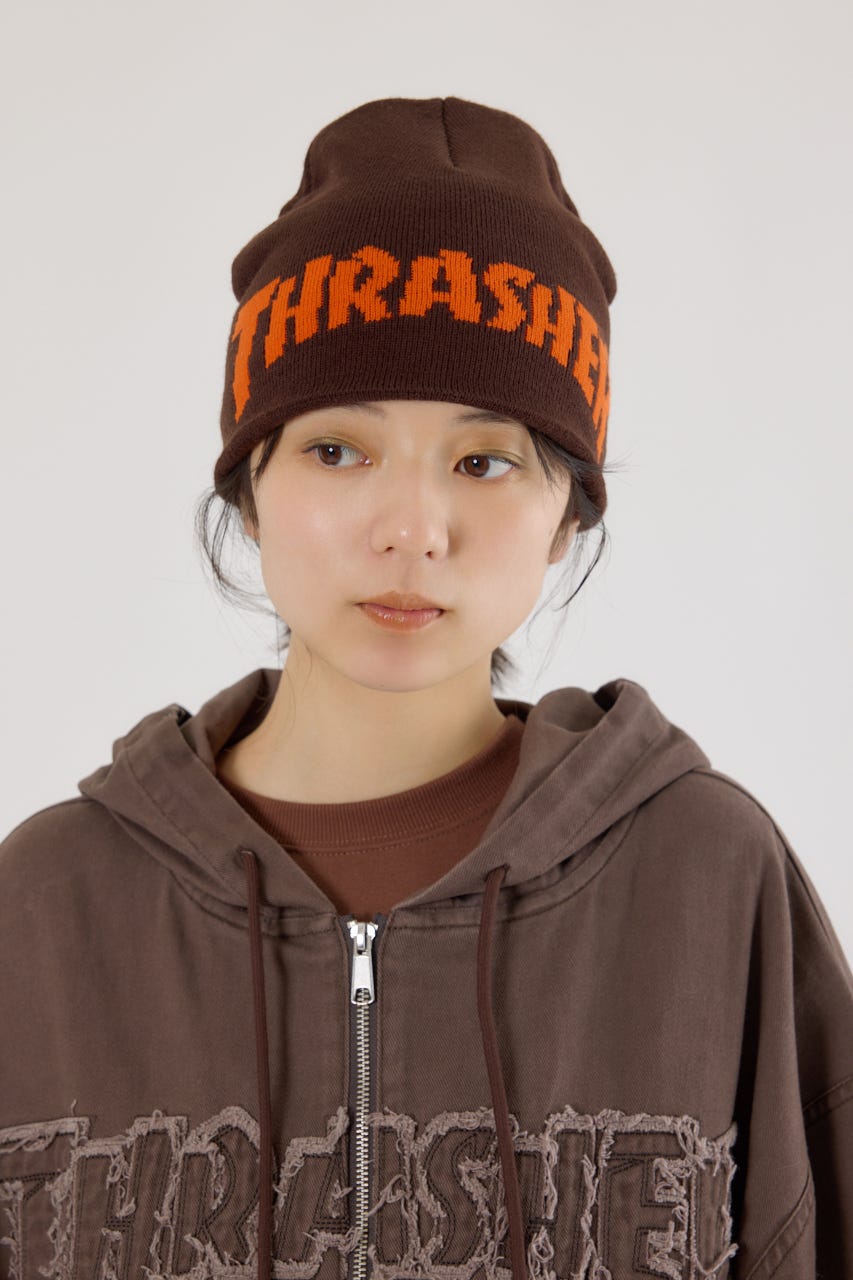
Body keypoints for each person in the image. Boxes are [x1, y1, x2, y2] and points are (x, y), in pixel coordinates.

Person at [1, 95, 851, 1280]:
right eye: (336, 449)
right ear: (248, 485)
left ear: (565, 517)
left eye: (484, 459)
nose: (411, 528)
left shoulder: (706, 877)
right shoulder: (44, 909)